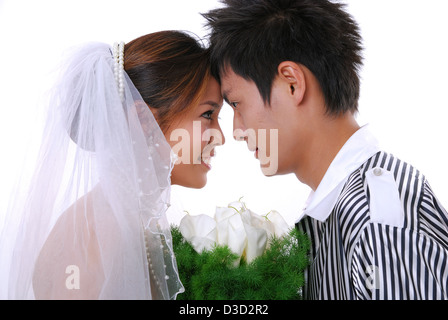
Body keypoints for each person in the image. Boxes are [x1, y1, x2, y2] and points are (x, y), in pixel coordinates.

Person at [203, 0, 448, 299]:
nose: (237, 131)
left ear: (292, 84)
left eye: (237, 104)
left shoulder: (378, 222)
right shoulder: (339, 209)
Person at [0, 30, 225, 299]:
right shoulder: (110, 234)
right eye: (208, 114)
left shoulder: (125, 219)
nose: (220, 137)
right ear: (143, 120)